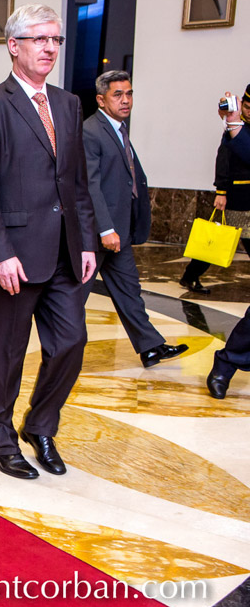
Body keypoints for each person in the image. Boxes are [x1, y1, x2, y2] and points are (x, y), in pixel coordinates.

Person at [0, 4, 97, 480]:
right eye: (40, 39)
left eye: (56, 40)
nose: (50, 48)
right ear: (13, 46)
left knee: (71, 342)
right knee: (4, 353)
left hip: (63, 251)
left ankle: (40, 425)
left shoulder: (68, 103)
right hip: (13, 255)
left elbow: (76, 180)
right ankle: (0, 440)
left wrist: (85, 242)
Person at [82, 71, 188, 368]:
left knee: (129, 290)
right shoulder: (91, 131)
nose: (126, 100)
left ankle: (151, 347)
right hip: (101, 233)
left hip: (120, 232)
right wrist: (105, 228)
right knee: (73, 296)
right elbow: (90, 185)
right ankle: (60, 348)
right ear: (101, 99)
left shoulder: (118, 129)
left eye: (129, 93)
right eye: (118, 94)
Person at [179, 84, 250, 295]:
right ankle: (190, 276)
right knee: (216, 242)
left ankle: (189, 276)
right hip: (239, 198)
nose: (249, 112)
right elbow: (223, 160)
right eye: (247, 107)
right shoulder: (235, 129)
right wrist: (221, 191)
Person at [207, 90, 250, 399]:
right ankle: (227, 361)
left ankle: (229, 360)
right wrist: (234, 124)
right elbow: (235, 155)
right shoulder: (239, 131)